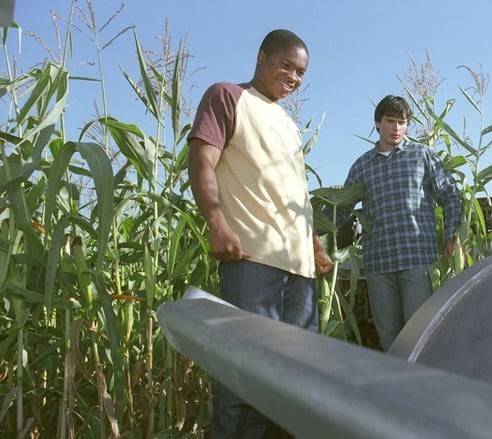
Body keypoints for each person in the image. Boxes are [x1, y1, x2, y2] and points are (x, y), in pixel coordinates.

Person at [187, 29, 333, 438]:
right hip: (252, 261)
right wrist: (216, 222)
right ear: (261, 56)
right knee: (245, 381)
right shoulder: (227, 96)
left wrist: (315, 244)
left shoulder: (288, 124)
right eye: (286, 65)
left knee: (296, 384)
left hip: (299, 271)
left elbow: (294, 193)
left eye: (301, 71)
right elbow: (201, 161)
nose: (294, 77)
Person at [337, 95, 462, 351]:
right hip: (379, 263)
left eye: (402, 122)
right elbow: (343, 209)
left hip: (415, 258)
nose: (396, 128)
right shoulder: (362, 166)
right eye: (390, 121)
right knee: (389, 336)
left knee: (419, 332)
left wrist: (451, 235)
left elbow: (450, 193)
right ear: (377, 123)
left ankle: (422, 387)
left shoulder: (422, 156)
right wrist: (316, 233)